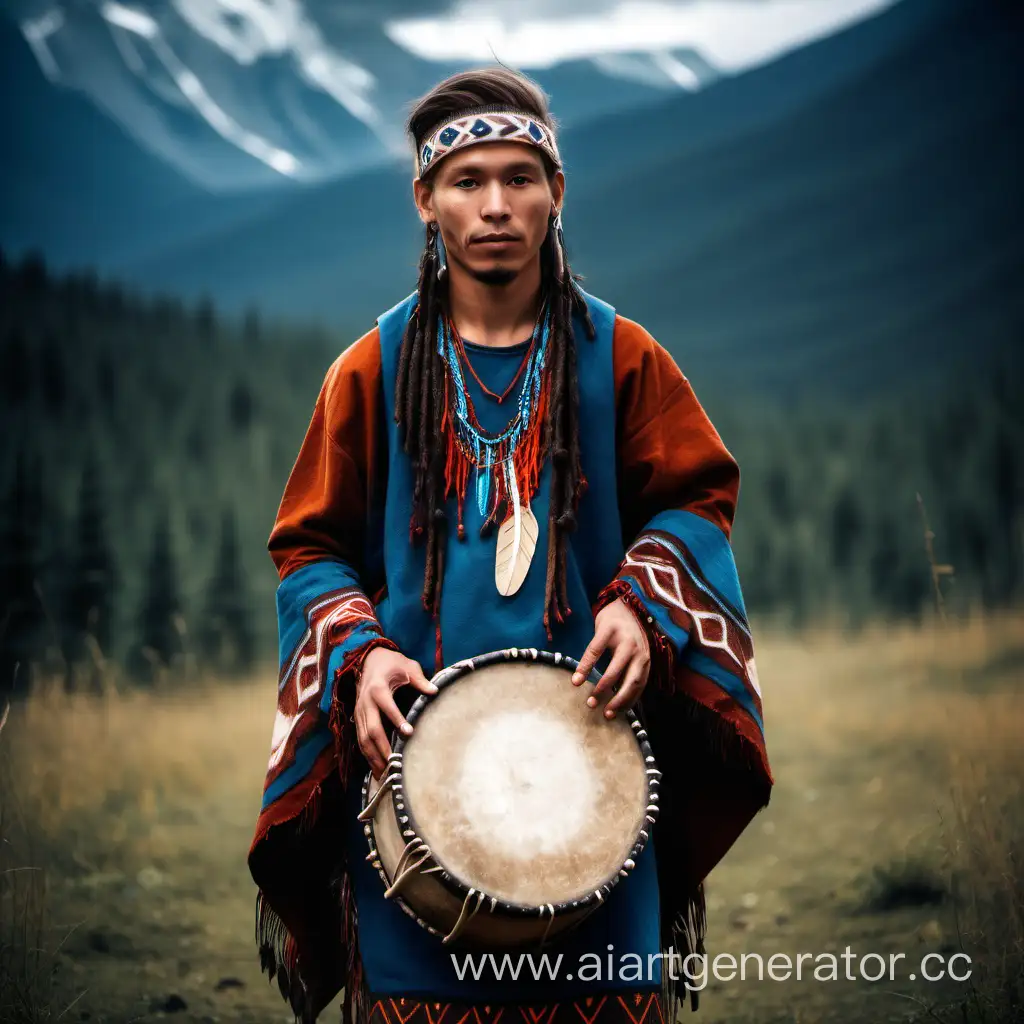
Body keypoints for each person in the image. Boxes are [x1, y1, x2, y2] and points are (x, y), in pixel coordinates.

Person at [248, 67, 773, 1024]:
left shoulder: (623, 358)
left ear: (557, 192)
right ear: (425, 199)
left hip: (594, 788)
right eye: (467, 180)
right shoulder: (371, 369)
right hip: (413, 803)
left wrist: (642, 601)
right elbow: (308, 548)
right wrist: (359, 657)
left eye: (521, 177)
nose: (496, 205)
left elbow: (699, 499)